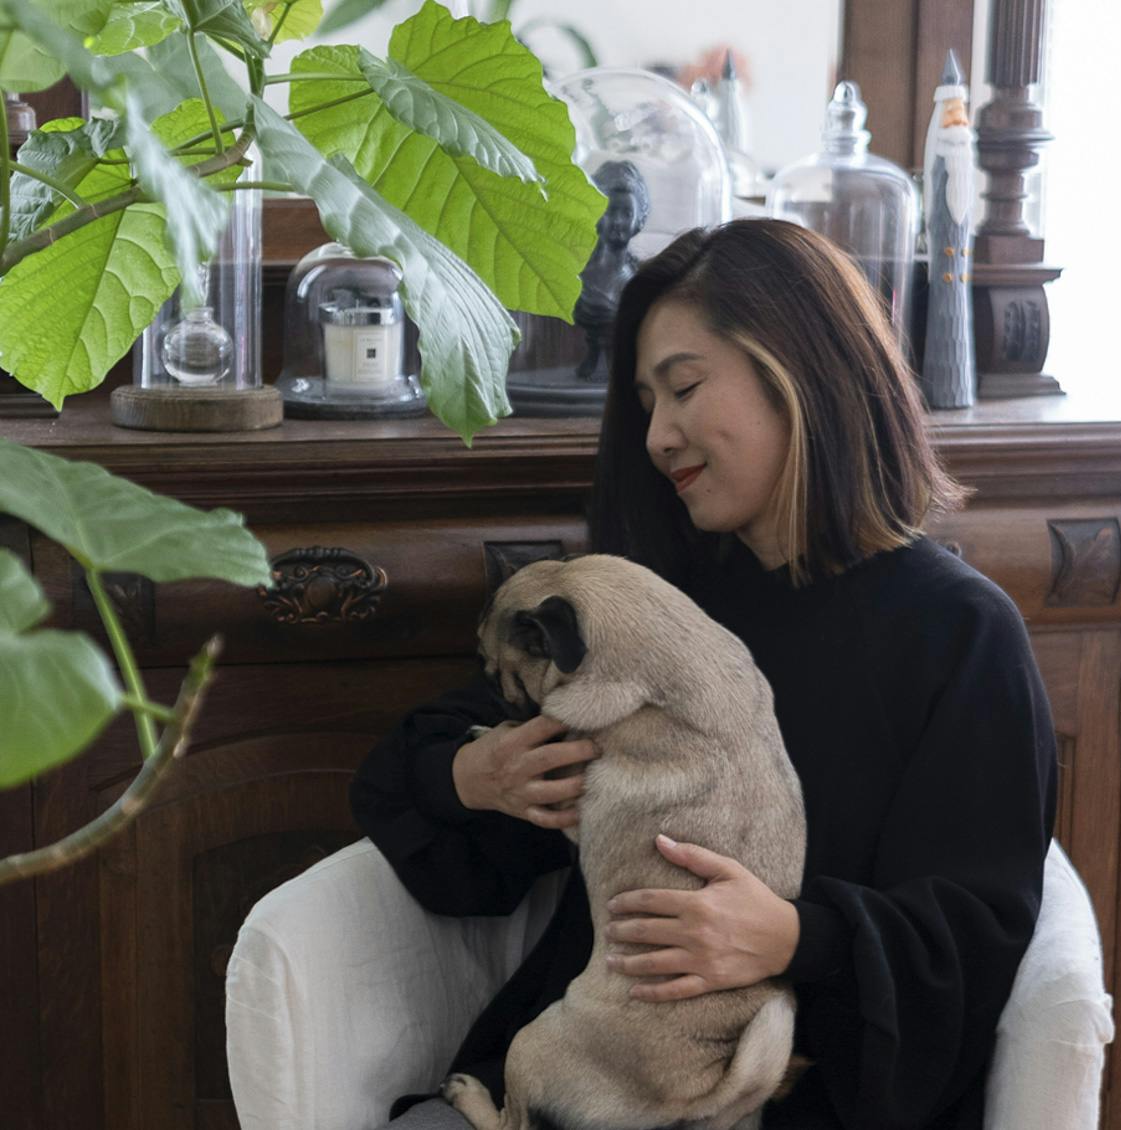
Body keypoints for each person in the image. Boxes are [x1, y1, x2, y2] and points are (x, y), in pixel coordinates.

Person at [350, 218, 1057, 1130]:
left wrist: (794, 938)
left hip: (801, 1095)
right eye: (646, 402)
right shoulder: (656, 609)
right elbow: (438, 781)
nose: (657, 436)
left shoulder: (960, 634)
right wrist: (477, 776)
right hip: (578, 1077)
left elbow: (975, 931)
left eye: (683, 387)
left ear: (799, 372)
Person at [574, 160, 650, 381]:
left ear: (639, 219)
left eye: (626, 213)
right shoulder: (577, 279)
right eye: (610, 211)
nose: (617, 221)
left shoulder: (641, 280)